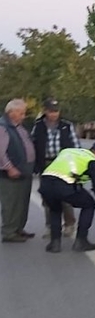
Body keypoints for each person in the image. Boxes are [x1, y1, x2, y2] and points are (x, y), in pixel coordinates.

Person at [38, 140, 95, 253]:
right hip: (64, 186)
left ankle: (55, 243)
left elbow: (69, 170)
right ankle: (81, 241)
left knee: (55, 210)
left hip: (45, 184)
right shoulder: (92, 162)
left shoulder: (68, 151)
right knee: (89, 204)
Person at [32, 97, 80, 238]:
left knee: (65, 197)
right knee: (48, 197)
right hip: (46, 165)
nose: (54, 114)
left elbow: (76, 146)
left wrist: (75, 166)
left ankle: (69, 225)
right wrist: (35, 165)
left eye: (56, 111)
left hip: (63, 165)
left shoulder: (67, 126)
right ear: (45, 111)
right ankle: (51, 226)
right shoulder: (39, 126)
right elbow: (34, 145)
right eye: (51, 111)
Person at [0, 99, 36, 243]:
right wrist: (9, 167)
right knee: (11, 203)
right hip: (10, 173)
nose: (23, 115)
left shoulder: (19, 127)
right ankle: (9, 231)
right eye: (21, 113)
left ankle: (18, 228)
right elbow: (1, 152)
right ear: (11, 112)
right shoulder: (3, 127)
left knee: (22, 202)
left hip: (24, 171)